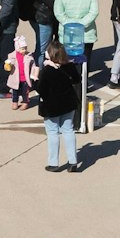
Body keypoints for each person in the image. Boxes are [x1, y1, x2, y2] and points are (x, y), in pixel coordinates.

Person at [35, 41, 82, 172]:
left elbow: (40, 89)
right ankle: (73, 161)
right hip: (68, 103)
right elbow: (77, 80)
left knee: (53, 133)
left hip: (52, 107)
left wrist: (34, 79)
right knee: (68, 130)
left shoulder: (47, 70)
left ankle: (53, 163)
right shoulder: (70, 66)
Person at [52, 0, 99, 95]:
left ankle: (68, 84)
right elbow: (94, 12)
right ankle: (83, 85)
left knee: (66, 61)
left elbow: (58, 13)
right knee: (85, 61)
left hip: (67, 34)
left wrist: (70, 24)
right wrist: (81, 24)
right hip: (87, 34)